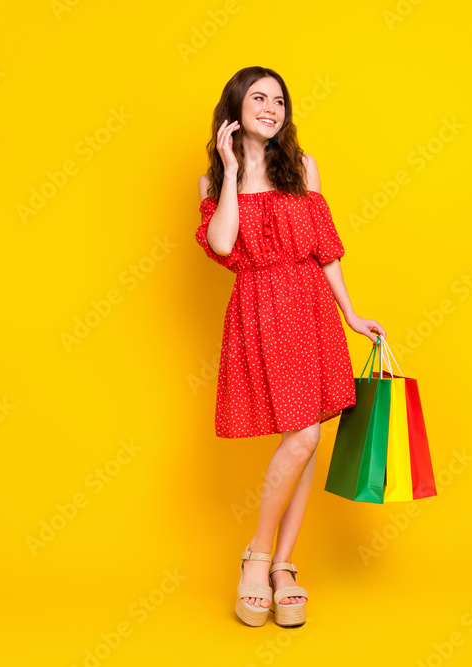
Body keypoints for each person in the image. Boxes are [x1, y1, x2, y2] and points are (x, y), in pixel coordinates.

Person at [195, 66, 385, 628]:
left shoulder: (303, 168)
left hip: (310, 308)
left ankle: (281, 566)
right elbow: (223, 242)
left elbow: (326, 249)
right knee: (301, 435)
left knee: (306, 435)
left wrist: (350, 312)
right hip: (258, 309)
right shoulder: (212, 181)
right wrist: (231, 172)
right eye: (259, 98)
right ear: (235, 106)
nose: (271, 108)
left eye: (279, 100)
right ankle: (259, 558)